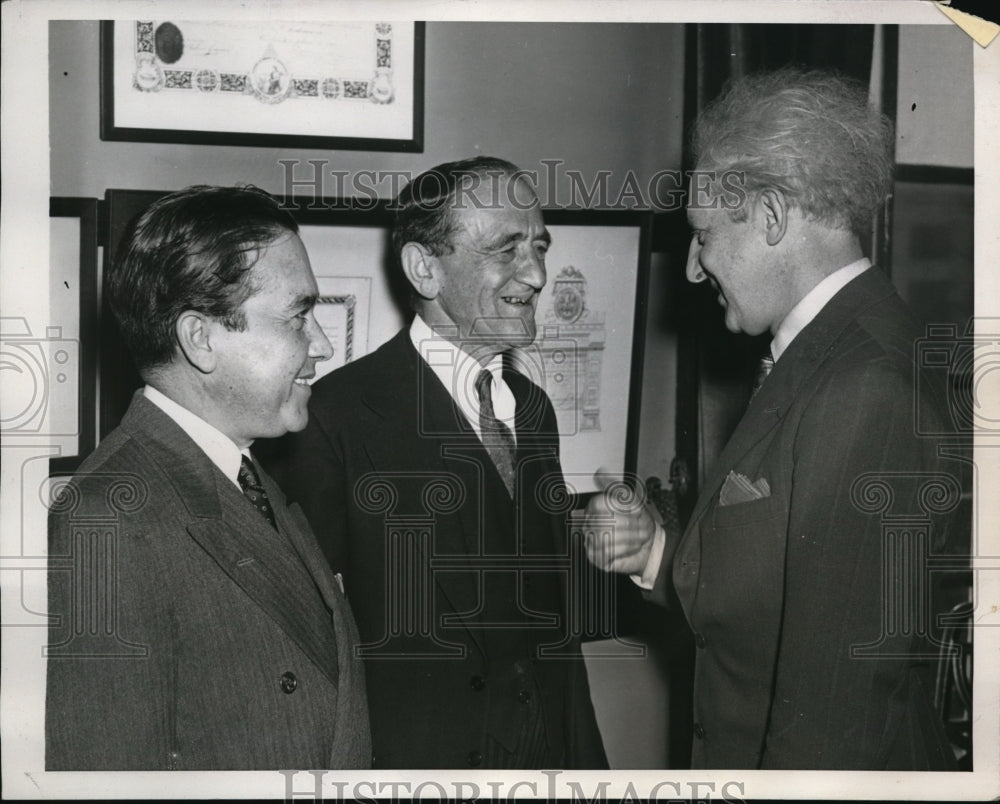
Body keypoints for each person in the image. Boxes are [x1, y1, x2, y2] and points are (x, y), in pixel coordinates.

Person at [584, 69, 961, 770]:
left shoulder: (863, 387)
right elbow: (784, 602)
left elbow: (832, 716)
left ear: (771, 218)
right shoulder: (832, 353)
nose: (694, 269)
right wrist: (656, 555)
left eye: (702, 236)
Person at [266, 157, 608, 769]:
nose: (535, 275)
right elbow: (306, 643)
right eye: (506, 249)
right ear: (425, 268)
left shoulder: (531, 409)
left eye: (539, 246)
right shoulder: (333, 418)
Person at [45, 185, 371, 770]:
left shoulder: (248, 475)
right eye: (298, 316)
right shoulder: (108, 515)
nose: (321, 343)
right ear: (201, 339)